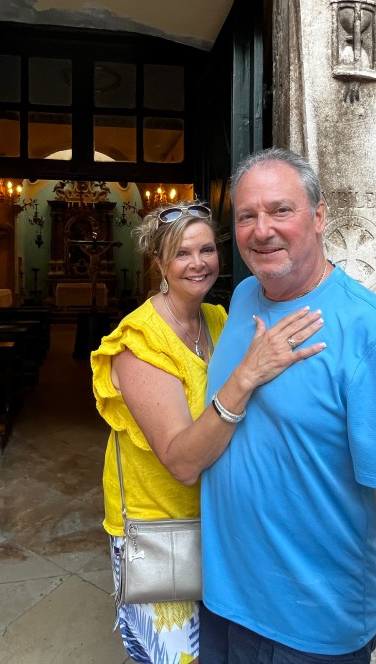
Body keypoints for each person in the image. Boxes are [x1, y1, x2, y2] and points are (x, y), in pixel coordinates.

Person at [201, 148, 376, 664]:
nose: (262, 230)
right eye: (246, 216)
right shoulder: (244, 297)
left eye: (280, 210)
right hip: (223, 603)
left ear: (319, 216)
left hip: (310, 631)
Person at [92, 201, 325, 664]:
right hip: (161, 528)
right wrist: (247, 375)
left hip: (218, 523)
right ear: (159, 262)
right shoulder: (139, 342)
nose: (198, 263)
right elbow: (182, 462)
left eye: (206, 250)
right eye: (182, 253)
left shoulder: (218, 319)